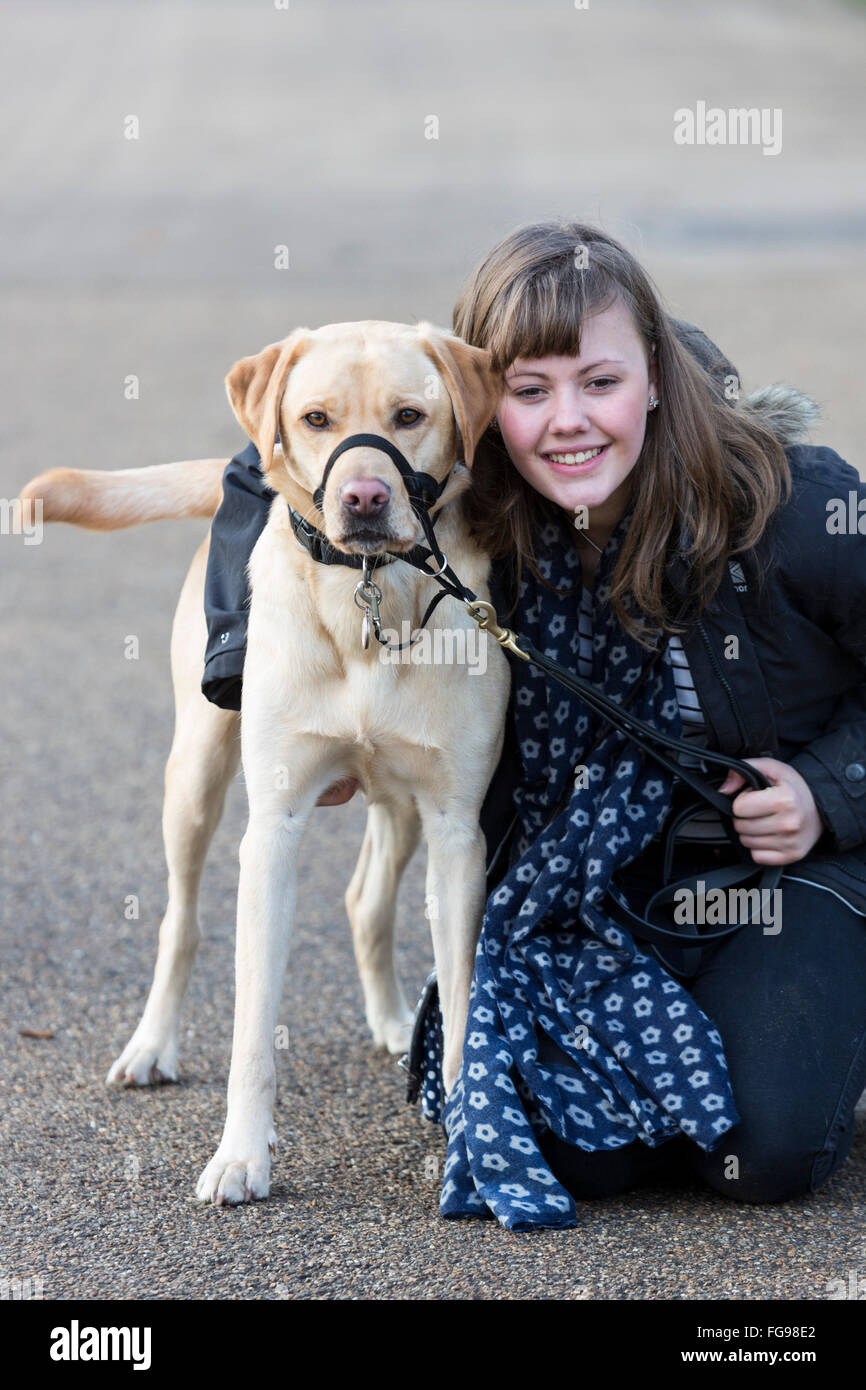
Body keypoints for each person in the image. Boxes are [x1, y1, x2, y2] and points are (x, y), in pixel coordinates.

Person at [201, 221, 866, 1231]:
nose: (566, 422)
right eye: (530, 391)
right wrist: (247, 678)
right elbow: (270, 474)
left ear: (654, 376)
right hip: (599, 888)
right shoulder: (479, 501)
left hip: (791, 871)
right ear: (484, 407)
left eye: (598, 383)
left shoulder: (791, 504)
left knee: (759, 1151)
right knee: (571, 1146)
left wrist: (827, 789)